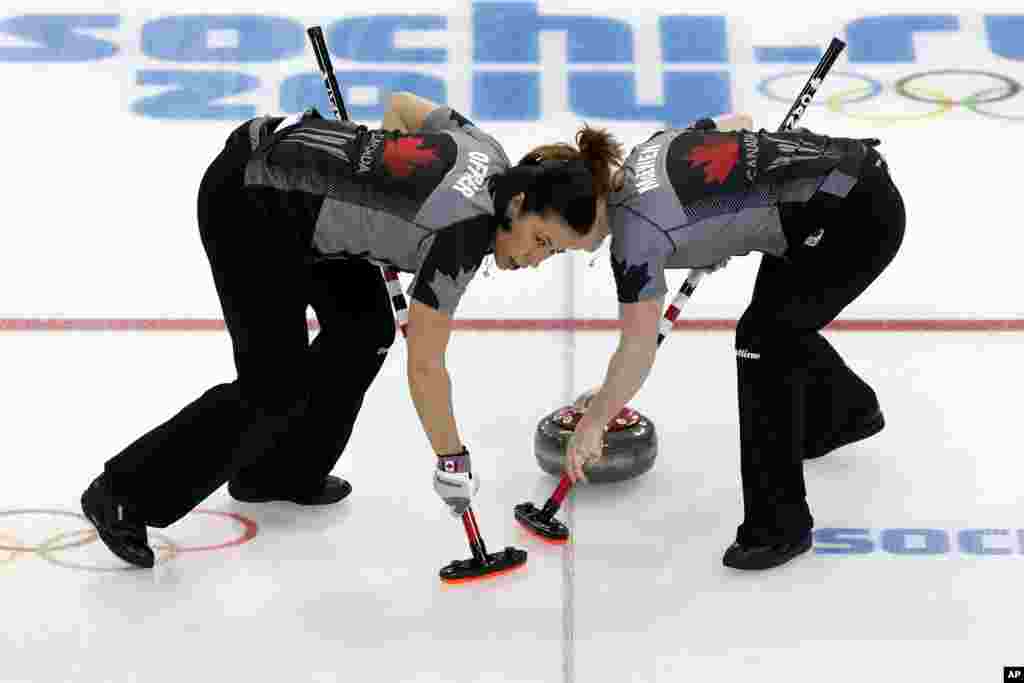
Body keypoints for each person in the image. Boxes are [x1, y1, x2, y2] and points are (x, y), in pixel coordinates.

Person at [80, 92, 622, 568]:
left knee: (363, 328)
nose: (535, 259)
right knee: (274, 388)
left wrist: (382, 180)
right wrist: (451, 459)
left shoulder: (484, 149)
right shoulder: (461, 237)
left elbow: (404, 105)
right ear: (521, 204)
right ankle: (124, 492)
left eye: (551, 253)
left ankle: (278, 472)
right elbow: (428, 366)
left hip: (314, 211)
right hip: (250, 203)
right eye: (541, 240)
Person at [527, 114, 905, 570]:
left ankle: (777, 527)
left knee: (763, 340)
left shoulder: (635, 241)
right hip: (841, 188)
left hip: (854, 219)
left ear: (581, 214)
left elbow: (637, 347)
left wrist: (596, 421)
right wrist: (719, 222)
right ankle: (847, 415)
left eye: (550, 238)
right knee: (780, 320)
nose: (552, 249)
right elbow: (738, 124)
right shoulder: (652, 147)